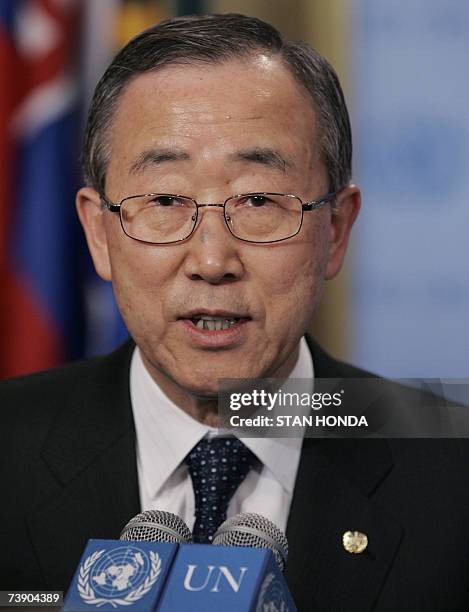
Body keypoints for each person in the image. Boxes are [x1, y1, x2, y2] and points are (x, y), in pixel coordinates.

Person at [1, 14, 468, 611]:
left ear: (336, 229)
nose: (212, 259)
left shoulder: (452, 476)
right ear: (98, 233)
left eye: (257, 200)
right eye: (166, 200)